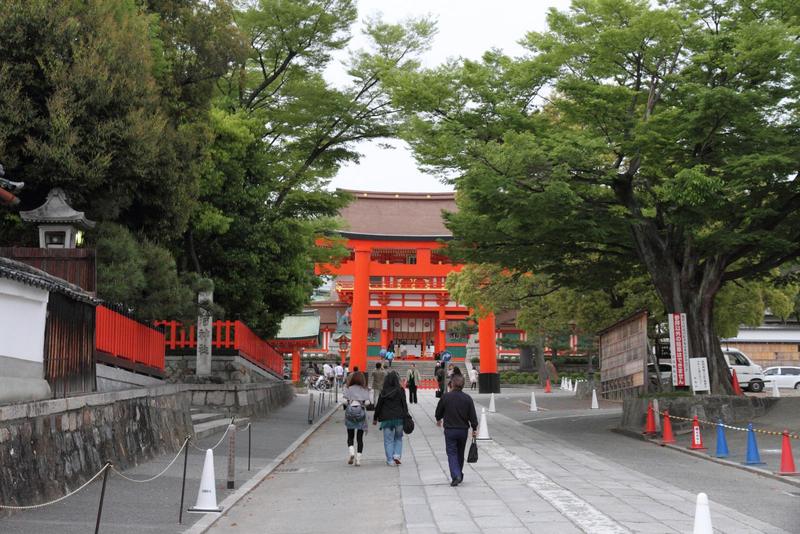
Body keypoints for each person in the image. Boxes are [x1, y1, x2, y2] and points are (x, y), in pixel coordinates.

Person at [435, 374, 478, 486]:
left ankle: (456, 475)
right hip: (463, 430)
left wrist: (438, 419)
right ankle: (459, 473)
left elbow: (438, 411)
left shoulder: (446, 397)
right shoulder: (467, 398)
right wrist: (474, 427)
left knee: (451, 453)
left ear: (452, 384)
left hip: (450, 430)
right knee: (460, 453)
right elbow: (472, 415)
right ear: (463, 385)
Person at [373, 371, 408, 466]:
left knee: (388, 440)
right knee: (398, 438)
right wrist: (406, 416)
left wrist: (375, 418)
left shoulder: (383, 392)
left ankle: (390, 460)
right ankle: (397, 455)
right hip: (399, 418)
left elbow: (379, 406)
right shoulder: (401, 390)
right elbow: (404, 405)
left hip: (386, 419)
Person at [343, 371, 370, 466]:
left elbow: (344, 402)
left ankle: (351, 452)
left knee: (350, 436)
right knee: (360, 438)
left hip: (350, 413)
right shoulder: (364, 389)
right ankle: (358, 460)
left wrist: (350, 401)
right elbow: (367, 403)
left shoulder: (348, 388)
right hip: (360, 414)